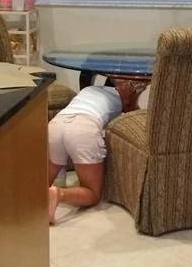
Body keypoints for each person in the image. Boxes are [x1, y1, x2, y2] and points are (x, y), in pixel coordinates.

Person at [48, 81, 139, 224]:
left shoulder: (89, 89)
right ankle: (59, 194)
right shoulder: (121, 98)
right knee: (92, 193)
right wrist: (132, 98)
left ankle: (32, 199)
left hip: (55, 125)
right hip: (83, 128)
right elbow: (134, 114)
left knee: (42, 182)